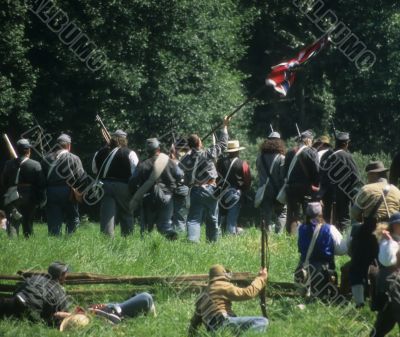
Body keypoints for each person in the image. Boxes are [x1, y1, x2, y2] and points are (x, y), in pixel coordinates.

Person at [350, 161, 400, 308]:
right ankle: (389, 299)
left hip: (371, 230)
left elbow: (354, 213)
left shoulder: (366, 189)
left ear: (373, 174)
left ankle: (359, 303)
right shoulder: (397, 191)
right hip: (392, 230)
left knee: (357, 266)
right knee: (390, 266)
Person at [180, 116, 229, 243]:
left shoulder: (185, 159)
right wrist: (224, 127)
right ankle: (212, 242)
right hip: (212, 188)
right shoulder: (207, 153)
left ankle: (192, 241)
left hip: (196, 190)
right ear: (200, 143)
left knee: (194, 219)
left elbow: (183, 175)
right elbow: (223, 145)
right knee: (213, 217)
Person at [188, 264, 268, 336]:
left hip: (213, 331)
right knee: (261, 321)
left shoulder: (203, 295)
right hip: (223, 323)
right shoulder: (222, 285)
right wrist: (261, 278)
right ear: (222, 274)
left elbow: (194, 322)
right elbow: (247, 293)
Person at [129, 138, 181, 240]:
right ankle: (172, 237)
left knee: (146, 226)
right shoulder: (169, 162)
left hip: (148, 196)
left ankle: (146, 246)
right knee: (165, 224)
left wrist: (134, 193)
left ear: (147, 151)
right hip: (167, 196)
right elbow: (180, 174)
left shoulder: (143, 164)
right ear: (158, 149)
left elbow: (133, 181)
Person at [92, 130, 139, 237]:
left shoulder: (99, 152)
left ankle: (106, 240)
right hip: (123, 186)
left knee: (106, 216)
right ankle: (127, 239)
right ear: (124, 139)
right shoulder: (130, 153)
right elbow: (135, 172)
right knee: (126, 214)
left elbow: (94, 170)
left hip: (104, 186)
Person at [296, 202, 347, 298]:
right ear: (321, 213)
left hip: (304, 268)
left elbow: (301, 247)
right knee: (321, 297)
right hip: (323, 271)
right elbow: (342, 249)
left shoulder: (300, 228)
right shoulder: (330, 229)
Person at [0, 262, 69, 326]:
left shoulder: (36, 278)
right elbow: (60, 315)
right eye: (66, 273)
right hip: (32, 313)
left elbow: (19, 289)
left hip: (16, 301)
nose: (67, 275)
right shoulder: (61, 293)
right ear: (61, 275)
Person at [1, 139, 46, 237]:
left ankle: (12, 245)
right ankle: (28, 241)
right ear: (29, 150)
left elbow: (3, 182)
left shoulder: (9, 164)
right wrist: (41, 199)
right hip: (30, 196)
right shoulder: (35, 164)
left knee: (13, 221)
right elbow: (41, 184)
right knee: (28, 221)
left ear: (17, 150)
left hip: (12, 196)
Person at [42, 134, 85, 236]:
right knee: (73, 218)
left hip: (51, 191)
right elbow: (81, 177)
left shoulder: (46, 159)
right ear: (69, 146)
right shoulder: (74, 158)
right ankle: (71, 239)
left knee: (54, 219)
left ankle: (54, 242)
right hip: (69, 192)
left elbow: (41, 178)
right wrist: (79, 192)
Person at [319, 132, 361, 231]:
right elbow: (356, 177)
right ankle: (342, 242)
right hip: (342, 193)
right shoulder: (347, 156)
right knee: (344, 220)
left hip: (327, 193)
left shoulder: (326, 155)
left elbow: (320, 173)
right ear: (346, 143)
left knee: (327, 219)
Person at [370, 212, 400, 337]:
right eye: (399, 224)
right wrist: (391, 243)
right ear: (393, 226)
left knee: (385, 322)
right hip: (391, 284)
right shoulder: (386, 242)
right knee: (385, 321)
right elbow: (387, 261)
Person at [55, 292, 156, 329]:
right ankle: (153, 315)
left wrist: (68, 315)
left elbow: (59, 314)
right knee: (146, 297)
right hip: (119, 309)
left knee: (138, 296)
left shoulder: (84, 317)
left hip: (114, 306)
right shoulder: (101, 322)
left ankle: (150, 311)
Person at [284, 130, 320, 234]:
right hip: (306, 188)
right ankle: (308, 235)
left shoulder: (290, 152)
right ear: (308, 140)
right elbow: (317, 171)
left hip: (291, 187)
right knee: (308, 213)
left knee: (292, 214)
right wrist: (316, 185)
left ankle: (290, 236)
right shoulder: (312, 152)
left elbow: (285, 171)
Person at [216, 140, 251, 234]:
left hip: (221, 192)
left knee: (218, 217)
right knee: (232, 219)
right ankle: (230, 237)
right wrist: (243, 190)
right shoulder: (242, 163)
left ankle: (215, 236)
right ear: (237, 151)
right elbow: (247, 180)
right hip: (235, 192)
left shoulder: (220, 162)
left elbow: (216, 176)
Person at [256, 135, 286, 233]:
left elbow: (259, 173)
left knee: (265, 214)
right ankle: (279, 235)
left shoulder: (260, 158)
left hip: (264, 190)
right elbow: (282, 176)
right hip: (278, 190)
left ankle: (265, 237)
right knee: (281, 213)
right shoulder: (282, 158)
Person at [170, 139, 190, 233]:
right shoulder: (188, 161)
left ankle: (178, 234)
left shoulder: (173, 162)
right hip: (185, 189)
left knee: (178, 215)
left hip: (175, 190)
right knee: (181, 216)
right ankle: (180, 234)